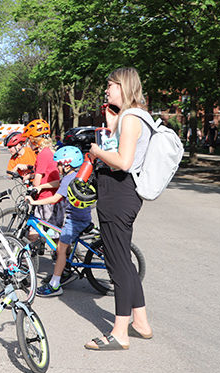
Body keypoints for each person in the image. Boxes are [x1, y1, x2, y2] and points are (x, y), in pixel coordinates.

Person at [85, 67, 153, 351]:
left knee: (117, 264)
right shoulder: (134, 117)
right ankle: (141, 323)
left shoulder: (131, 118)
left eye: (110, 86)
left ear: (123, 87)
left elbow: (123, 162)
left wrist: (95, 150)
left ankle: (120, 333)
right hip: (123, 194)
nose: (107, 90)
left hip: (118, 194)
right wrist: (112, 128)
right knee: (123, 259)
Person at [26, 146, 92, 297]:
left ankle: (55, 285)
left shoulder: (69, 178)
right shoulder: (76, 175)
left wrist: (33, 202)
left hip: (75, 220)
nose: (57, 167)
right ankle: (65, 270)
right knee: (63, 243)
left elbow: (56, 198)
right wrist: (41, 186)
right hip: (82, 216)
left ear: (67, 164)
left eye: (59, 164)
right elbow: (58, 183)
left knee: (60, 249)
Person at [24, 119, 64, 231]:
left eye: (29, 139)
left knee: (48, 235)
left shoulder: (42, 154)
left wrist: (33, 188)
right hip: (51, 200)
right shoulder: (49, 151)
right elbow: (46, 174)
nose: (28, 142)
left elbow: (38, 180)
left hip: (46, 200)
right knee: (45, 234)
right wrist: (31, 176)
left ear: (34, 140)